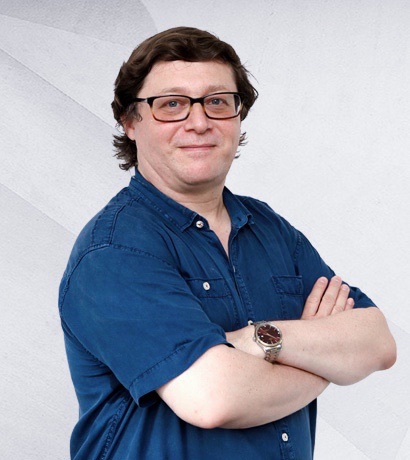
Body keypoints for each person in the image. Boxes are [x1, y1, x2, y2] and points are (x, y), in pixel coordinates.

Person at [59, 26, 396, 460]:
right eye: (172, 104)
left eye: (217, 102)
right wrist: (323, 364)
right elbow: (213, 398)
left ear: (238, 117)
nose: (199, 122)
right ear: (130, 122)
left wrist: (257, 340)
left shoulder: (270, 229)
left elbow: (377, 344)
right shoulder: (114, 251)